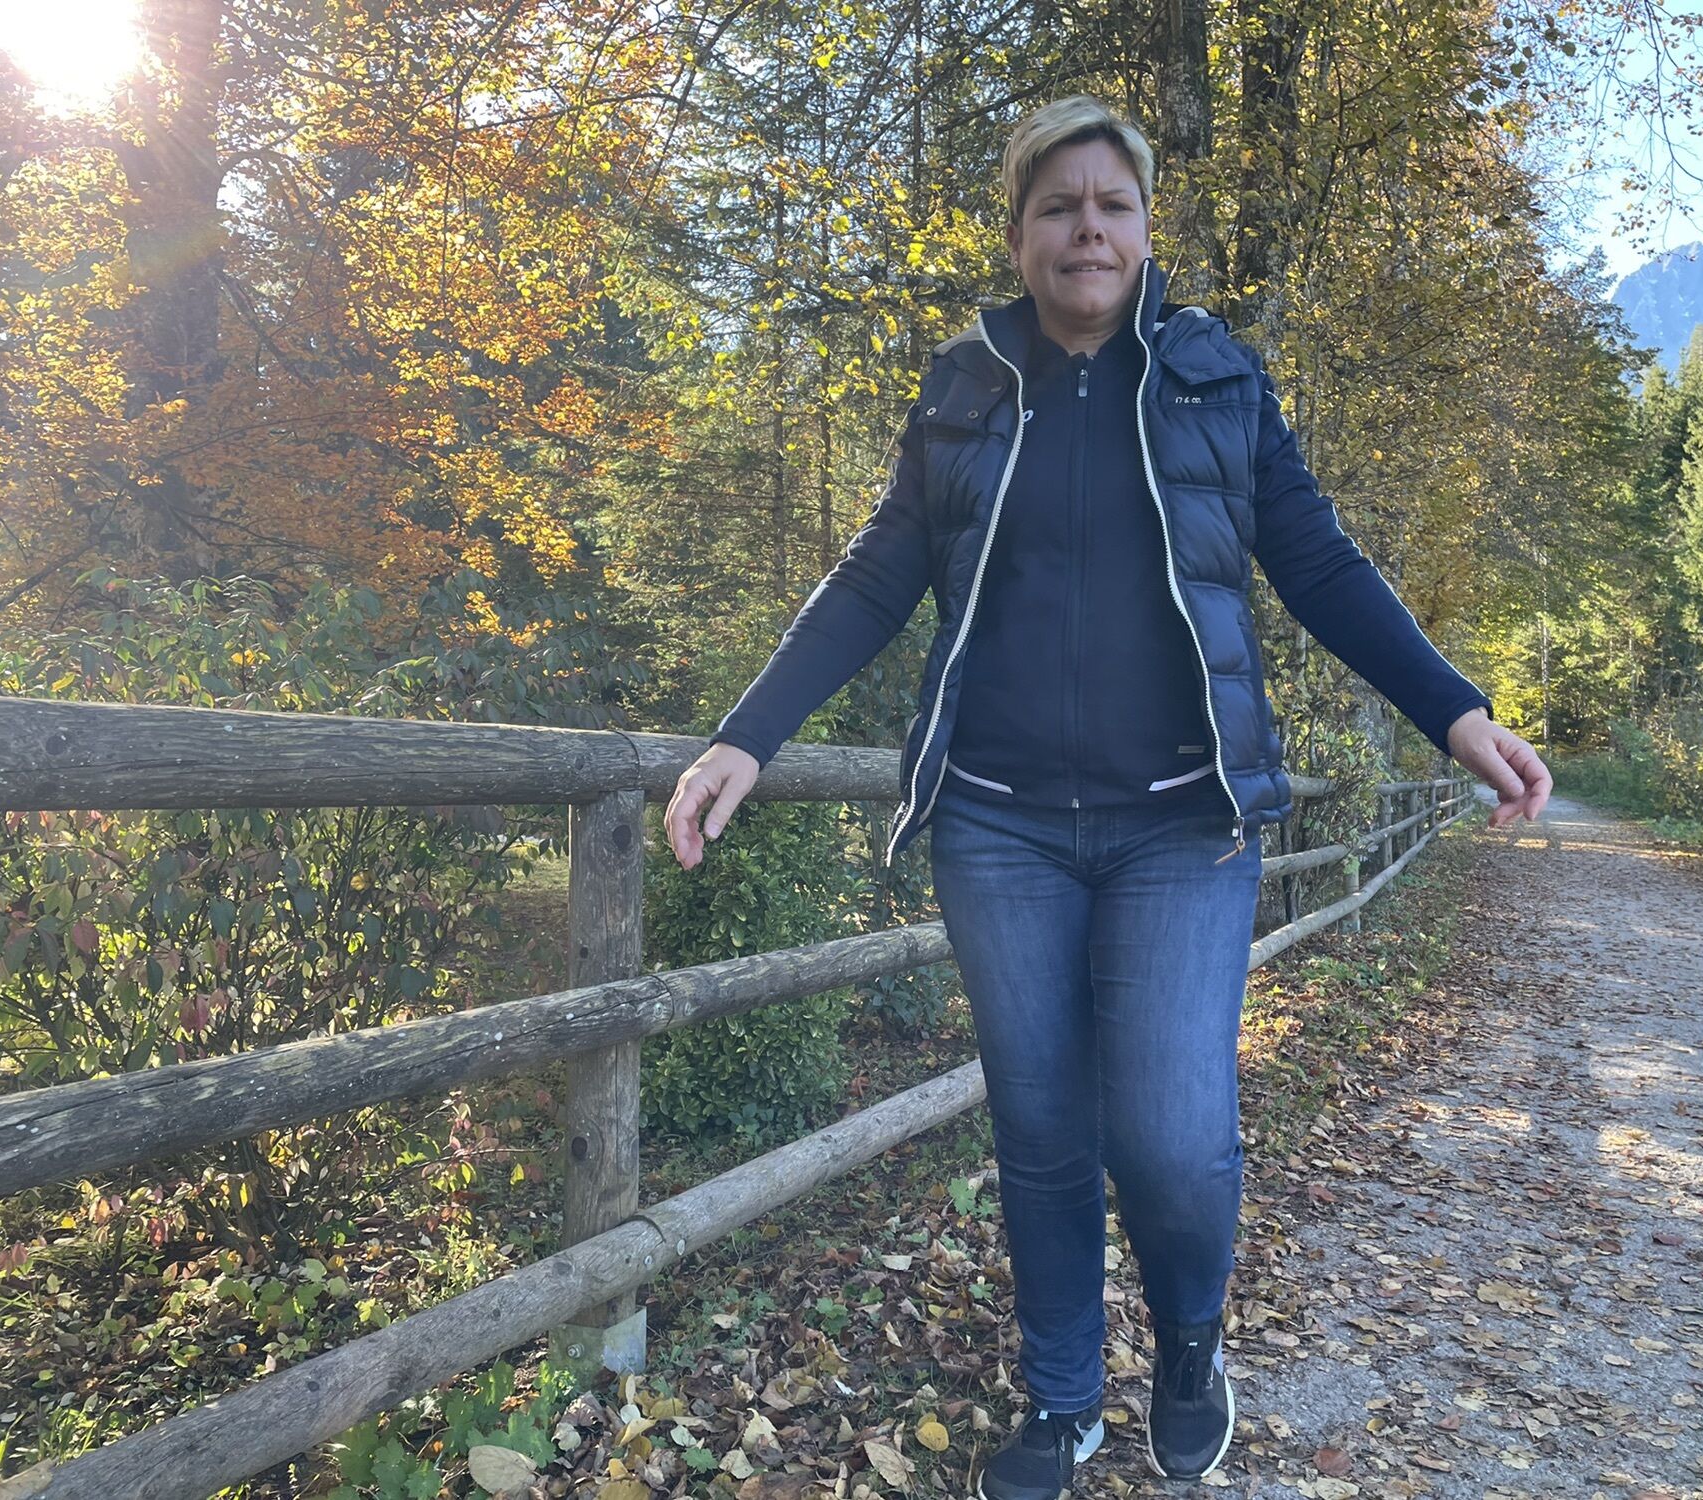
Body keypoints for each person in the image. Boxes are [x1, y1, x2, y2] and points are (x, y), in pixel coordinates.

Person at [665, 95, 1552, 1500]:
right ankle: (1064, 1400)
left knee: (1172, 1136)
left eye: (1114, 204)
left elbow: (1320, 566)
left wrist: (1457, 711)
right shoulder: (964, 391)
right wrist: (746, 737)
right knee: (1041, 1130)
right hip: (998, 826)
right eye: (1060, 205)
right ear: (1020, 234)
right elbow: (877, 575)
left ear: (1145, 230)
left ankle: (1190, 1343)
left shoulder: (1215, 380)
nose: (1089, 227)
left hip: (1183, 824)